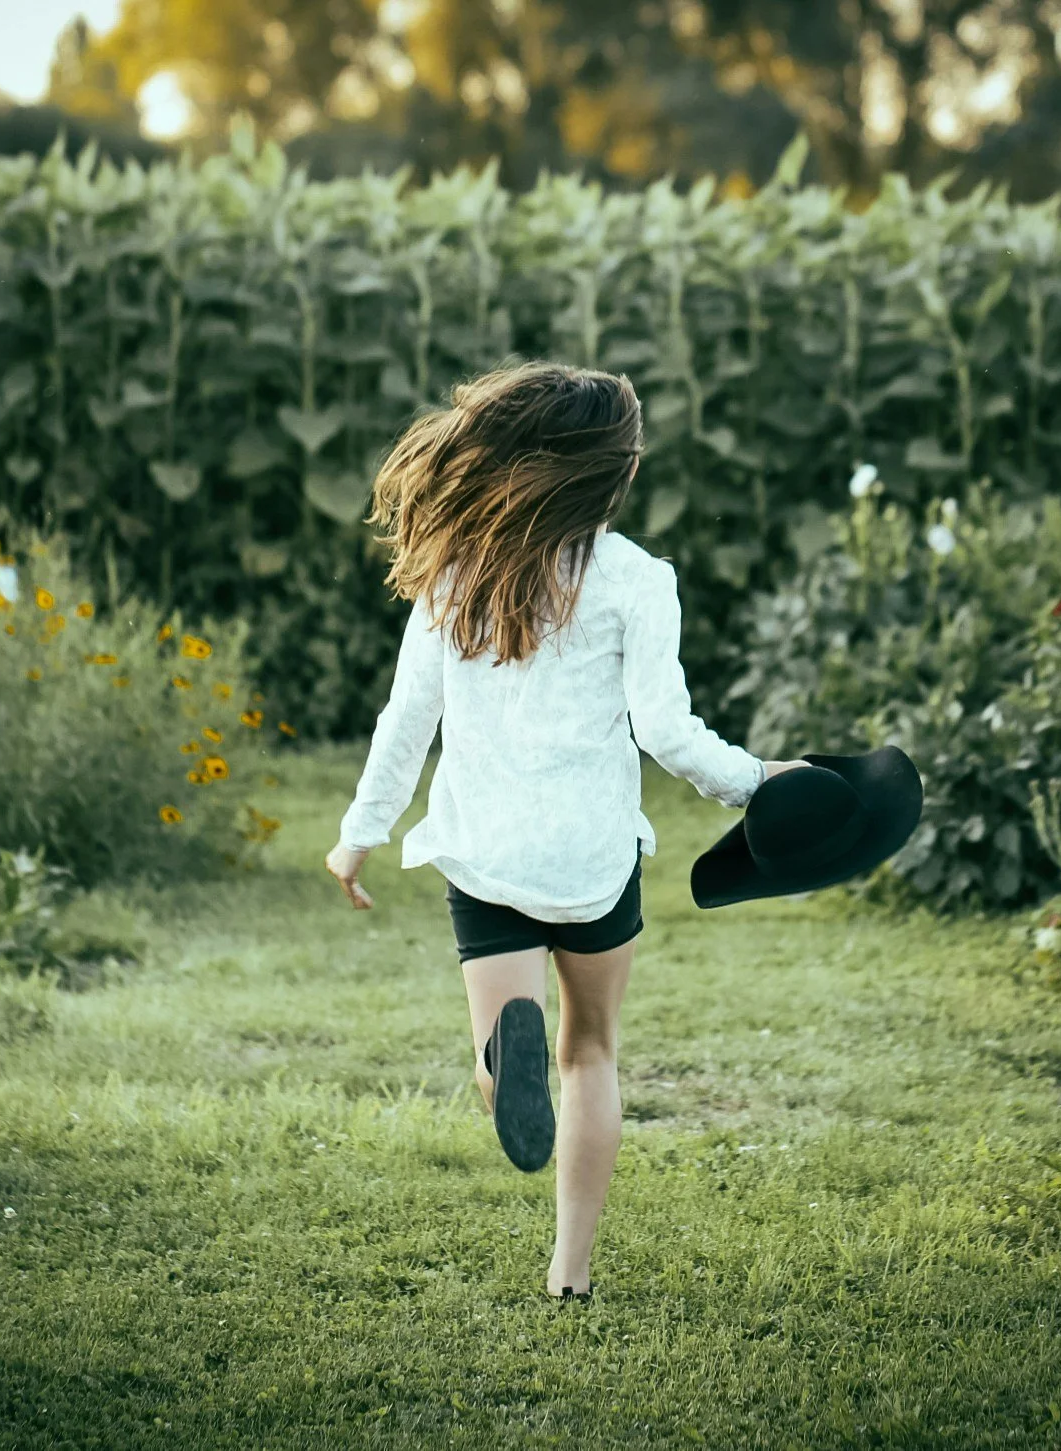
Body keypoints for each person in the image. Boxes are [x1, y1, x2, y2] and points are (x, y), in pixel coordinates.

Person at [323, 360, 806, 1302]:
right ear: (610, 474)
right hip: (593, 860)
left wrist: (359, 832)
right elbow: (667, 732)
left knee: (509, 1057)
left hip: (485, 855)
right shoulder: (635, 578)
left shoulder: (456, 574)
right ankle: (571, 1274)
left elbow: (405, 720)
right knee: (591, 1053)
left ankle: (506, 1057)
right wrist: (757, 781)